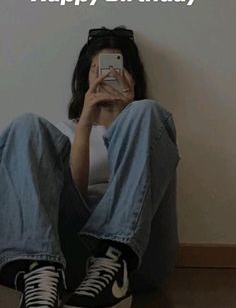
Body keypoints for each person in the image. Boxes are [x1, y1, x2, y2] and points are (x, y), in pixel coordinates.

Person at [0, 26, 181, 308]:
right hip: (71, 260)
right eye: (99, 69)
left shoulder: (149, 127)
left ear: (131, 76)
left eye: (116, 68)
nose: (108, 75)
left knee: (146, 112)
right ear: (86, 76)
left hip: (138, 262)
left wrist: (128, 118)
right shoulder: (61, 136)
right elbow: (76, 193)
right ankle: (39, 273)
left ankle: (113, 260)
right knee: (26, 126)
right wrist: (85, 121)